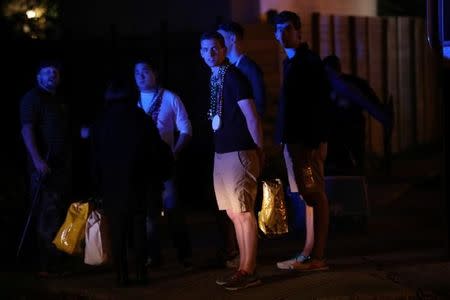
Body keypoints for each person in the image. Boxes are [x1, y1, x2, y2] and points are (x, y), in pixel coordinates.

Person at [91, 79, 173, 286]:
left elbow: (94, 157)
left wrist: (96, 184)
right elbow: (157, 152)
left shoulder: (101, 122)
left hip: (112, 186)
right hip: (140, 184)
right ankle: (140, 272)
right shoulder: (141, 119)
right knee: (139, 228)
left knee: (117, 230)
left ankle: (121, 274)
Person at [200, 31, 263, 290]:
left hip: (239, 151)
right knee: (233, 213)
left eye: (215, 48)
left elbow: (252, 116)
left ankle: (249, 269)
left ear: (225, 49)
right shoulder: (215, 78)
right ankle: (242, 267)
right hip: (222, 152)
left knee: (244, 211)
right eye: (205, 49)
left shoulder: (235, 77)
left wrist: (259, 151)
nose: (210, 53)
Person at [273, 11, 331, 272]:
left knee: (314, 194)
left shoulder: (308, 62)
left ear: (299, 32)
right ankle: (308, 254)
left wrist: (314, 142)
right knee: (307, 196)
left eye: (287, 29)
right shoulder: (291, 63)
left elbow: (318, 105)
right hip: (294, 142)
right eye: (278, 29)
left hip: (305, 145)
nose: (283, 34)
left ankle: (316, 256)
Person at [217, 21, 267, 268]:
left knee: (245, 206)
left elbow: (256, 109)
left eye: (222, 38)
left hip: (243, 148)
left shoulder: (247, 69)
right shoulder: (226, 70)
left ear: (232, 39)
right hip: (229, 146)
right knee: (235, 209)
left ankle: (248, 261)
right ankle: (239, 254)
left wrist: (259, 146)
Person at [134, 59, 193, 268]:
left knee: (173, 209)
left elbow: (186, 129)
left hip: (165, 164)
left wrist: (175, 152)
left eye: (145, 71)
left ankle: (184, 254)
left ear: (154, 73)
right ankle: (153, 255)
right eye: (137, 73)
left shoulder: (170, 98)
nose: (140, 76)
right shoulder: (134, 102)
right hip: (143, 166)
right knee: (148, 212)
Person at [20, 59, 71, 277]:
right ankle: (46, 265)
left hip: (61, 166)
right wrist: (38, 160)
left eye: (55, 73)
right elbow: (27, 130)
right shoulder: (32, 99)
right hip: (43, 167)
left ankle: (58, 259)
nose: (52, 76)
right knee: (46, 213)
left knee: (58, 211)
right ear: (38, 76)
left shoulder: (58, 100)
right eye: (47, 72)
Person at [322, 54, 392, 174]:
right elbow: (368, 102)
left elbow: (366, 101)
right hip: (343, 136)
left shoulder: (344, 85)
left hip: (349, 134)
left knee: (352, 168)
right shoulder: (350, 84)